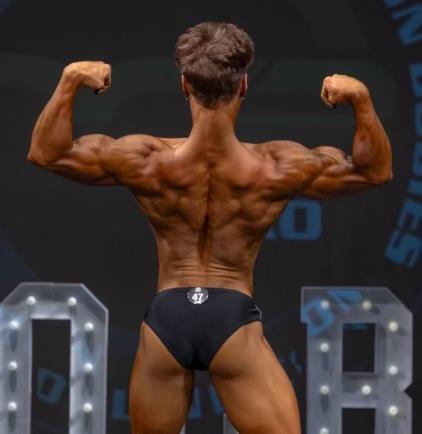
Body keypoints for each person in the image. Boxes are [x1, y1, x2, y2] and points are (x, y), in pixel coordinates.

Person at [28, 21, 392, 434]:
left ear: (185, 85)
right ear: (244, 85)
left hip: (166, 320)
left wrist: (70, 80)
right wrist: (361, 100)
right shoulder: (277, 167)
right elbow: (373, 171)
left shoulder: (145, 160)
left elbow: (47, 153)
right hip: (231, 318)